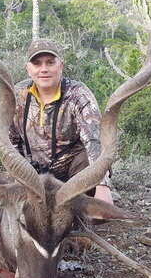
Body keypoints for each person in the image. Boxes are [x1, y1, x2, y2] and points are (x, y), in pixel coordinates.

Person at [9, 38, 113, 204]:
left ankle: (83, 204)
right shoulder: (18, 94)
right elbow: (11, 142)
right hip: (33, 175)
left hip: (71, 175)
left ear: (61, 65)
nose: (44, 69)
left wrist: (103, 187)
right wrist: (17, 181)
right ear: (28, 69)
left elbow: (95, 141)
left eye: (50, 62)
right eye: (37, 64)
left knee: (86, 162)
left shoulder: (78, 93)